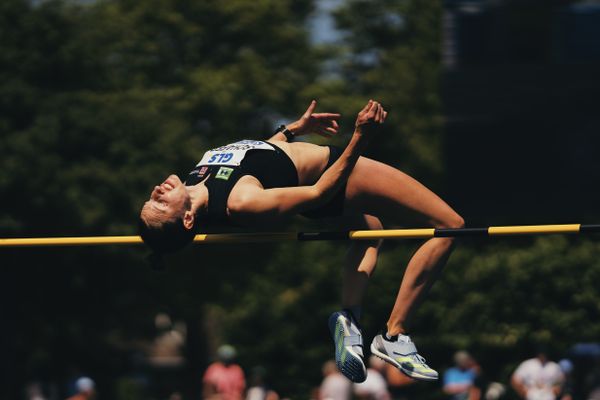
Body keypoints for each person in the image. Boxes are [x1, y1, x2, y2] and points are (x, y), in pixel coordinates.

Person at [140, 100, 465, 383]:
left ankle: (350, 322)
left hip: (318, 169)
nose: (157, 193)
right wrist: (360, 138)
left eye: (152, 200)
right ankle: (395, 334)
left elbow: (258, 157)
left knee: (371, 232)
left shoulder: (195, 179)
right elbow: (318, 193)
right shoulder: (241, 202)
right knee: (449, 224)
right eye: (160, 205)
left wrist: (294, 129)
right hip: (332, 172)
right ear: (186, 220)